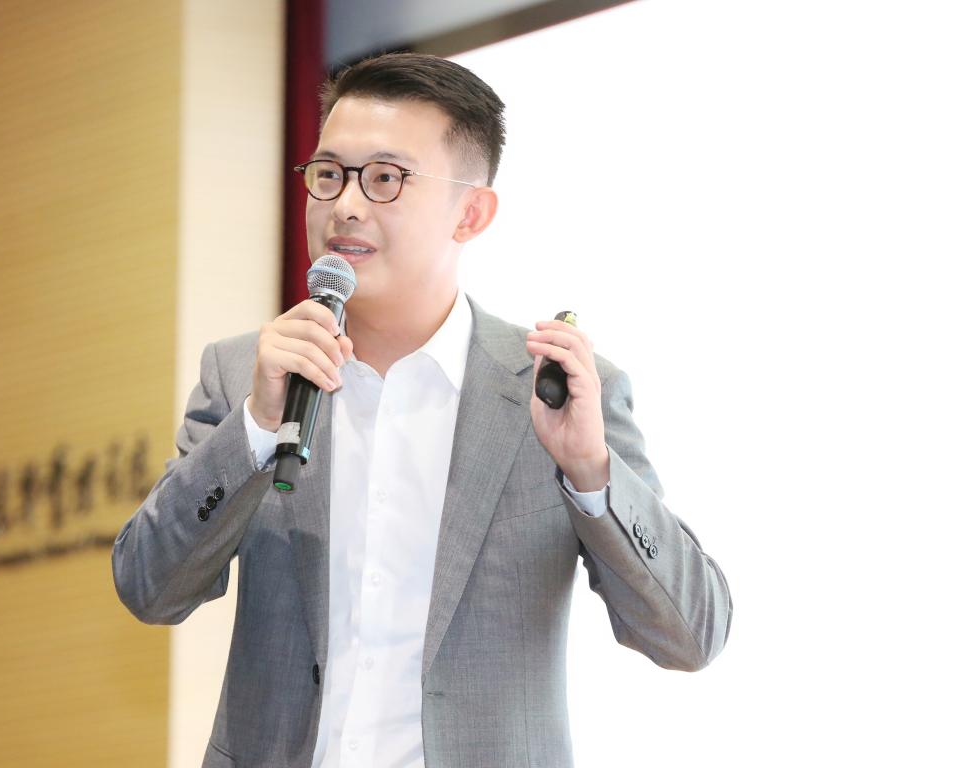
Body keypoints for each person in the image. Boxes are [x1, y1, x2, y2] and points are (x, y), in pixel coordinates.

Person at [112, 52, 731, 768]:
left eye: (385, 178)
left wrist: (590, 469)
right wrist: (253, 427)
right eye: (329, 174)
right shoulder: (246, 374)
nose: (346, 204)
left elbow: (691, 634)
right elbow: (148, 588)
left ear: (471, 213)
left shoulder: (555, 390)